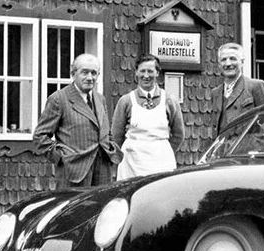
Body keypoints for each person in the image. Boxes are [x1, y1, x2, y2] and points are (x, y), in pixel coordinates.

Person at [33, 53, 115, 188]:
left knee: (101, 208)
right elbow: (40, 137)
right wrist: (62, 158)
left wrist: (109, 146)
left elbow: (106, 132)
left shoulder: (100, 99)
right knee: (73, 208)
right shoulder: (59, 99)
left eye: (94, 73)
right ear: (73, 73)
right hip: (73, 173)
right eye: (85, 72)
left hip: (102, 172)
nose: (90, 78)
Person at [111, 54, 185, 180]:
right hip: (132, 162)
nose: (146, 76)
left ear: (157, 73)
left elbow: (179, 134)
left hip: (161, 161)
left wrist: (163, 151)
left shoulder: (169, 100)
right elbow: (116, 136)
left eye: (150, 71)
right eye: (142, 71)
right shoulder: (126, 101)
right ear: (136, 73)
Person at [211, 42, 264, 134]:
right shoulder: (215, 92)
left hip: (250, 148)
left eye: (233, 59)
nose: (228, 63)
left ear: (242, 62)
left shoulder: (256, 86)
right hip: (225, 148)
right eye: (223, 60)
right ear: (219, 65)